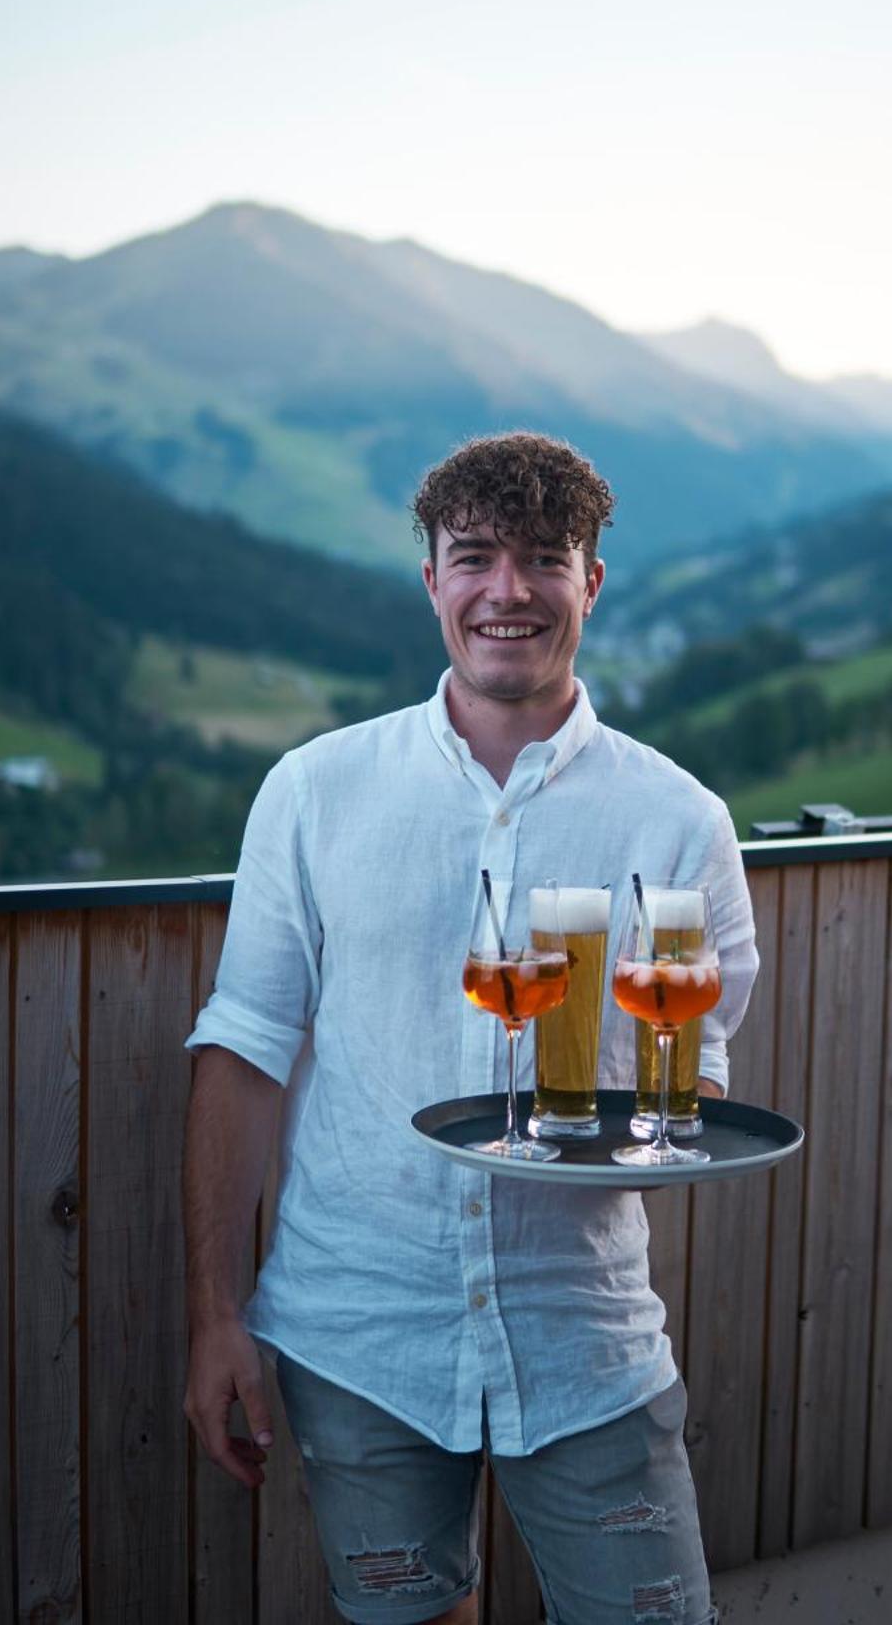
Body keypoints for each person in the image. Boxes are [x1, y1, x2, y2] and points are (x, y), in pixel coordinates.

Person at [183, 431, 758, 1625]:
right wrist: (214, 1315)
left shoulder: (677, 818)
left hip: (584, 1338)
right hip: (356, 1330)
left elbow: (687, 1077)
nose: (509, 589)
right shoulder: (314, 788)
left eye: (545, 558)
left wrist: (646, 1123)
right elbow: (242, 1054)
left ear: (590, 582)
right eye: (475, 557)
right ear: (433, 579)